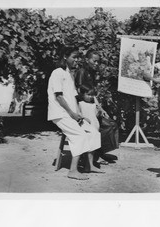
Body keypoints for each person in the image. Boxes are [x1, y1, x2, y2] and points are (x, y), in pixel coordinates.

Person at [47, 46, 103, 180]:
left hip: (71, 114)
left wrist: (80, 115)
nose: (76, 60)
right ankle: (73, 170)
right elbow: (59, 97)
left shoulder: (68, 74)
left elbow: (74, 98)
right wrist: (72, 114)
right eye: (74, 57)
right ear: (65, 57)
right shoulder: (57, 73)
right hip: (60, 115)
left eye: (78, 57)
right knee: (80, 136)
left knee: (94, 133)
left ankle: (89, 165)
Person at [75, 50, 119, 165]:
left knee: (112, 124)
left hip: (92, 106)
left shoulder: (91, 72)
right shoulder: (81, 72)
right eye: (94, 61)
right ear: (87, 59)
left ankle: (100, 151)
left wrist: (100, 108)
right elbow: (81, 92)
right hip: (84, 109)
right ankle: (96, 154)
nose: (96, 64)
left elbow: (92, 94)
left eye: (97, 62)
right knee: (107, 126)